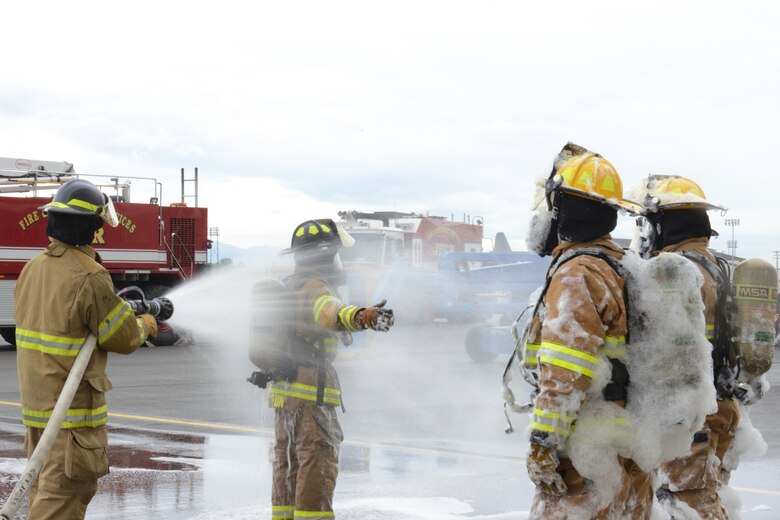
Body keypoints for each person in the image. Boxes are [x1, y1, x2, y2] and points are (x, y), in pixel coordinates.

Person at [14, 179, 158, 520]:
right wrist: (148, 322)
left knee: (43, 499)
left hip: (38, 418)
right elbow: (122, 338)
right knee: (59, 506)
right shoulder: (90, 276)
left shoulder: (32, 269)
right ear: (93, 227)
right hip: (72, 425)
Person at [523, 144, 653, 519]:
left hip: (588, 445)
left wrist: (543, 442)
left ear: (565, 209)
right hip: (628, 436)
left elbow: (567, 371)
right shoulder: (624, 265)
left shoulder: (577, 273)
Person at [270, 219, 394, 520]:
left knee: (288, 465)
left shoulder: (290, 285)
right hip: (311, 394)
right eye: (335, 254)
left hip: (283, 392)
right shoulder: (315, 288)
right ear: (324, 255)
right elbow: (331, 313)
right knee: (317, 463)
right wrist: (363, 316)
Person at [632, 174, 738, 519]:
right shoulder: (719, 266)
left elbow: (659, 348)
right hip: (719, 407)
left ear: (666, 224)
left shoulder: (675, 271)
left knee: (688, 503)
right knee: (709, 494)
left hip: (689, 415)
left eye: (650, 223)